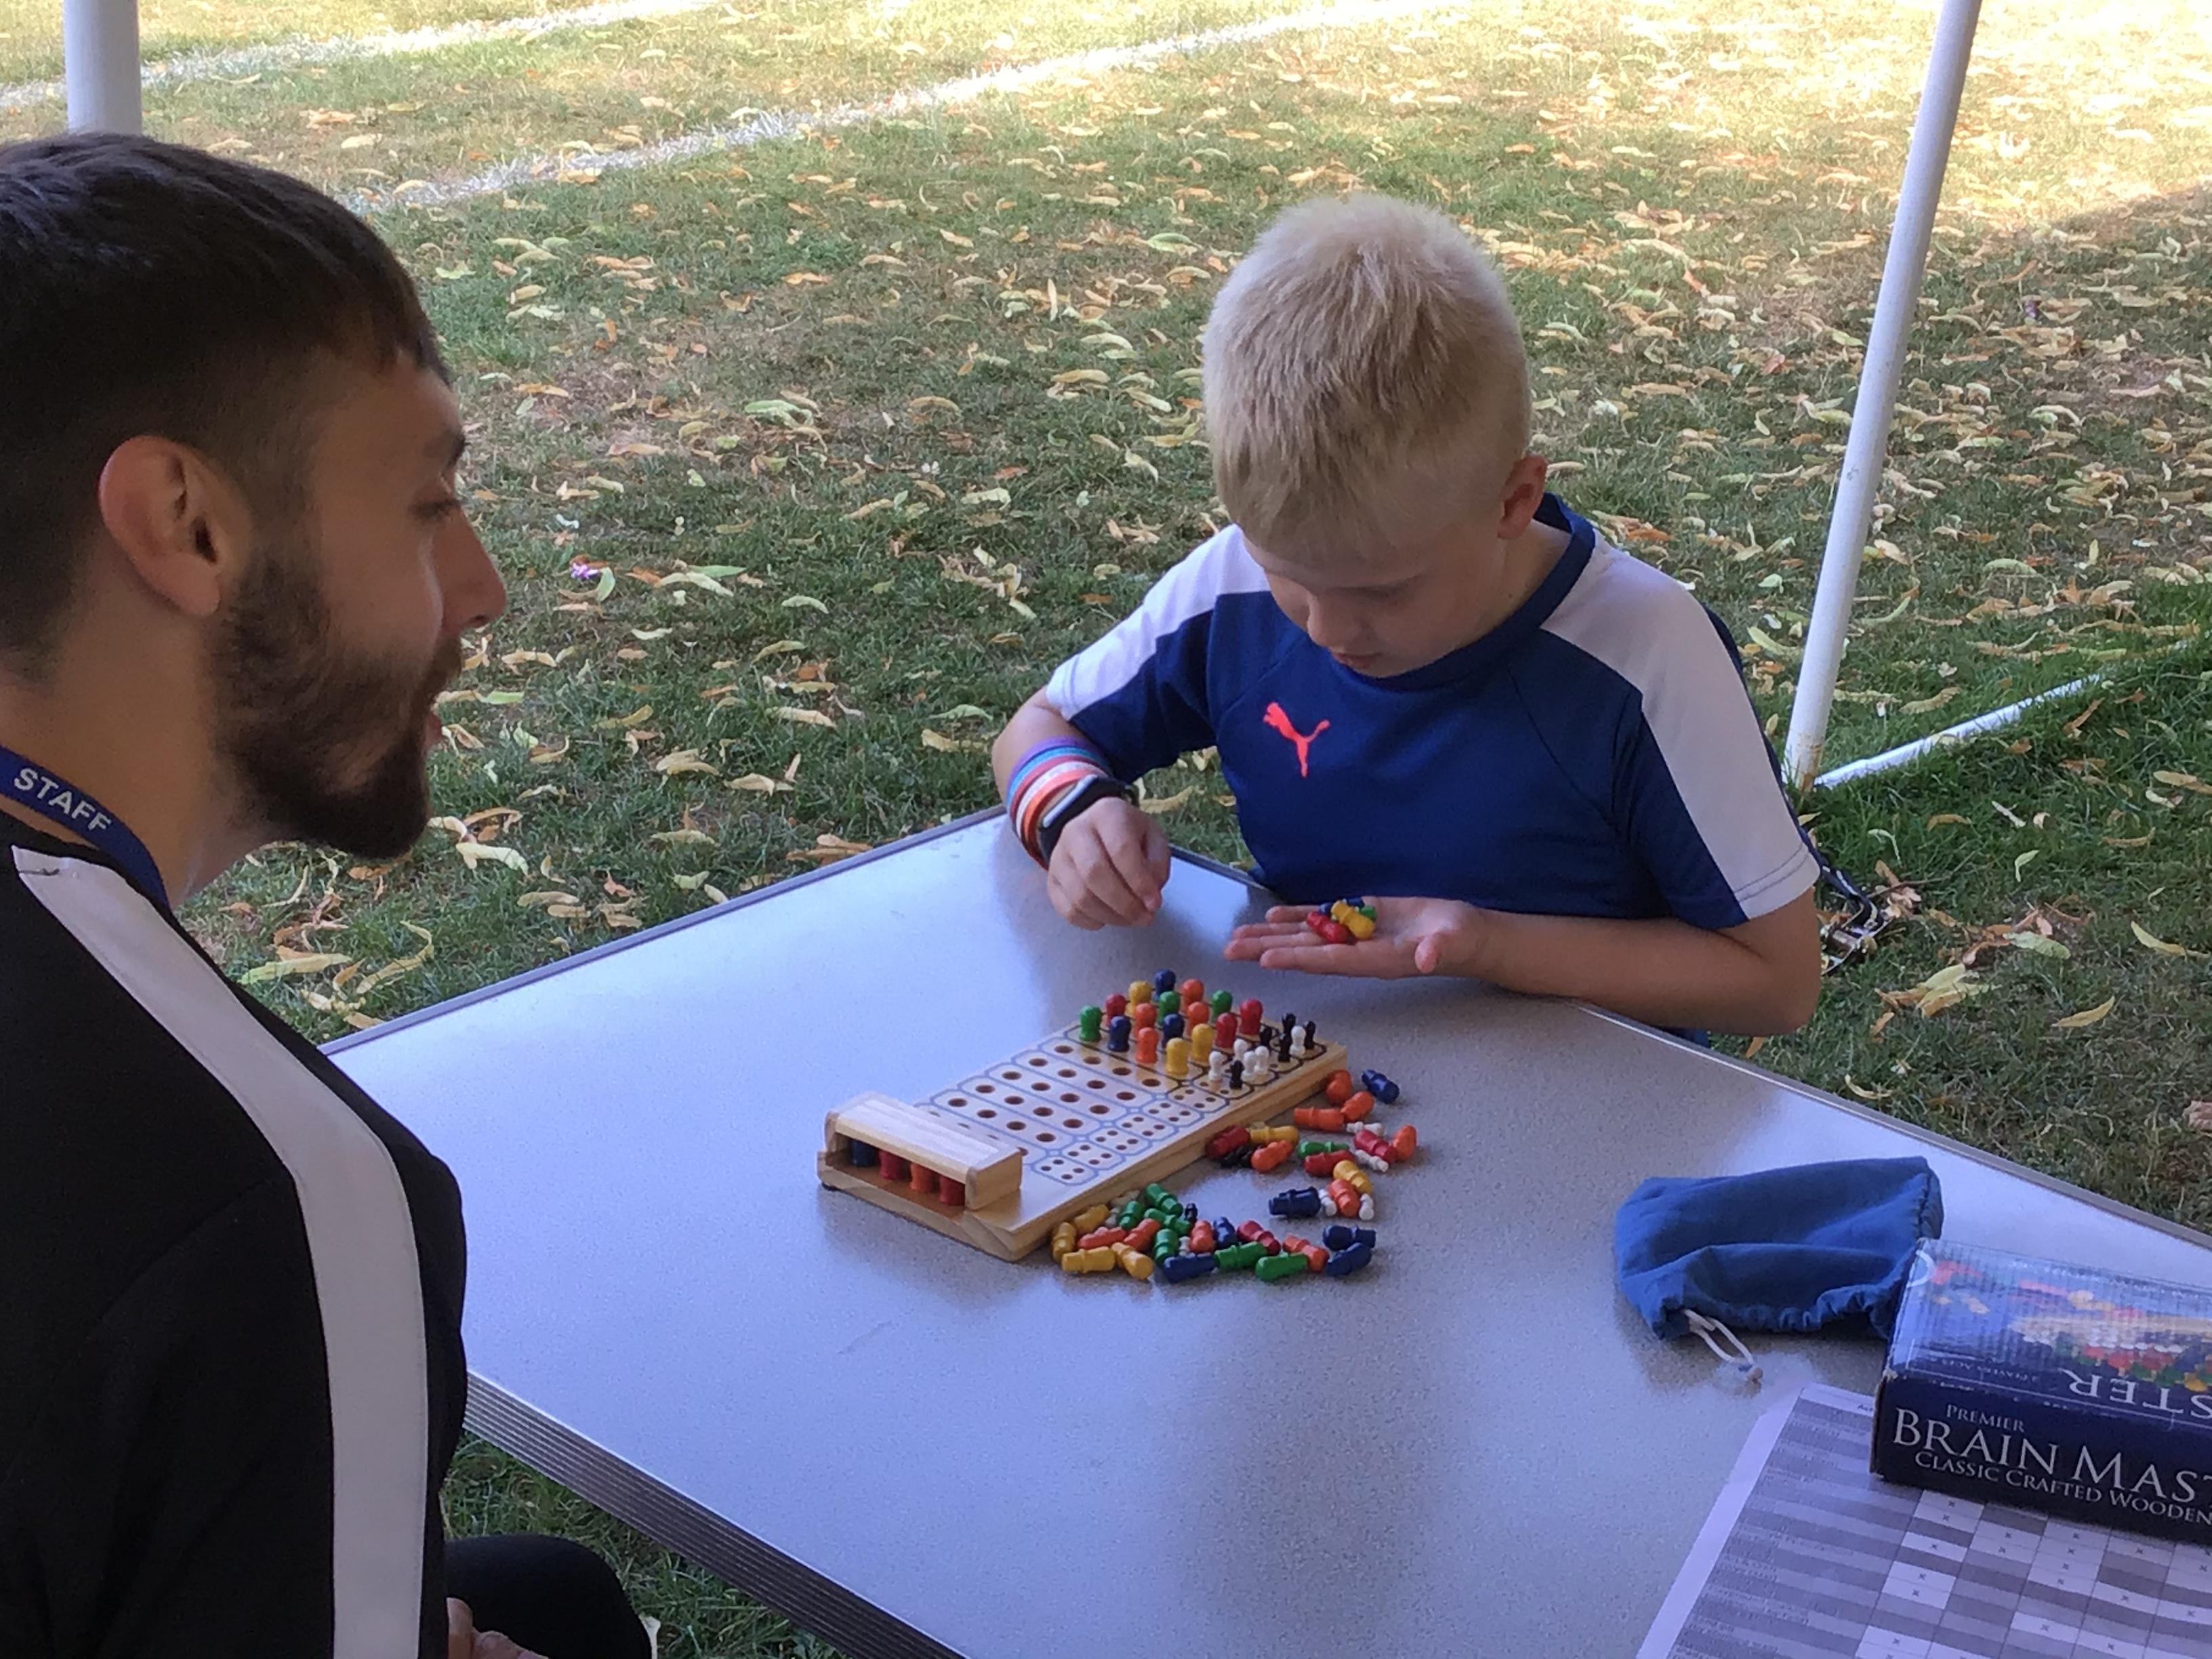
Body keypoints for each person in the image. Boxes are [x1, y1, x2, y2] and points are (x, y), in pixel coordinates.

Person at [0, 134, 650, 1659]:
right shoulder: (277, 1202)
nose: (481, 586)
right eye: (428, 503)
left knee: (554, 1596)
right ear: (188, 524)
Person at [991, 193, 1820, 1038]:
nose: (1325, 630)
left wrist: (1486, 945)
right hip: (1314, 1068)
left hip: (1598, 1089)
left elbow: (1777, 981)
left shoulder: (1647, 654)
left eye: (1383, 593)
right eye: (1287, 576)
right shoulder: (1234, 586)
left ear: (1512, 501)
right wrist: (1072, 813)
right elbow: (1041, 727)